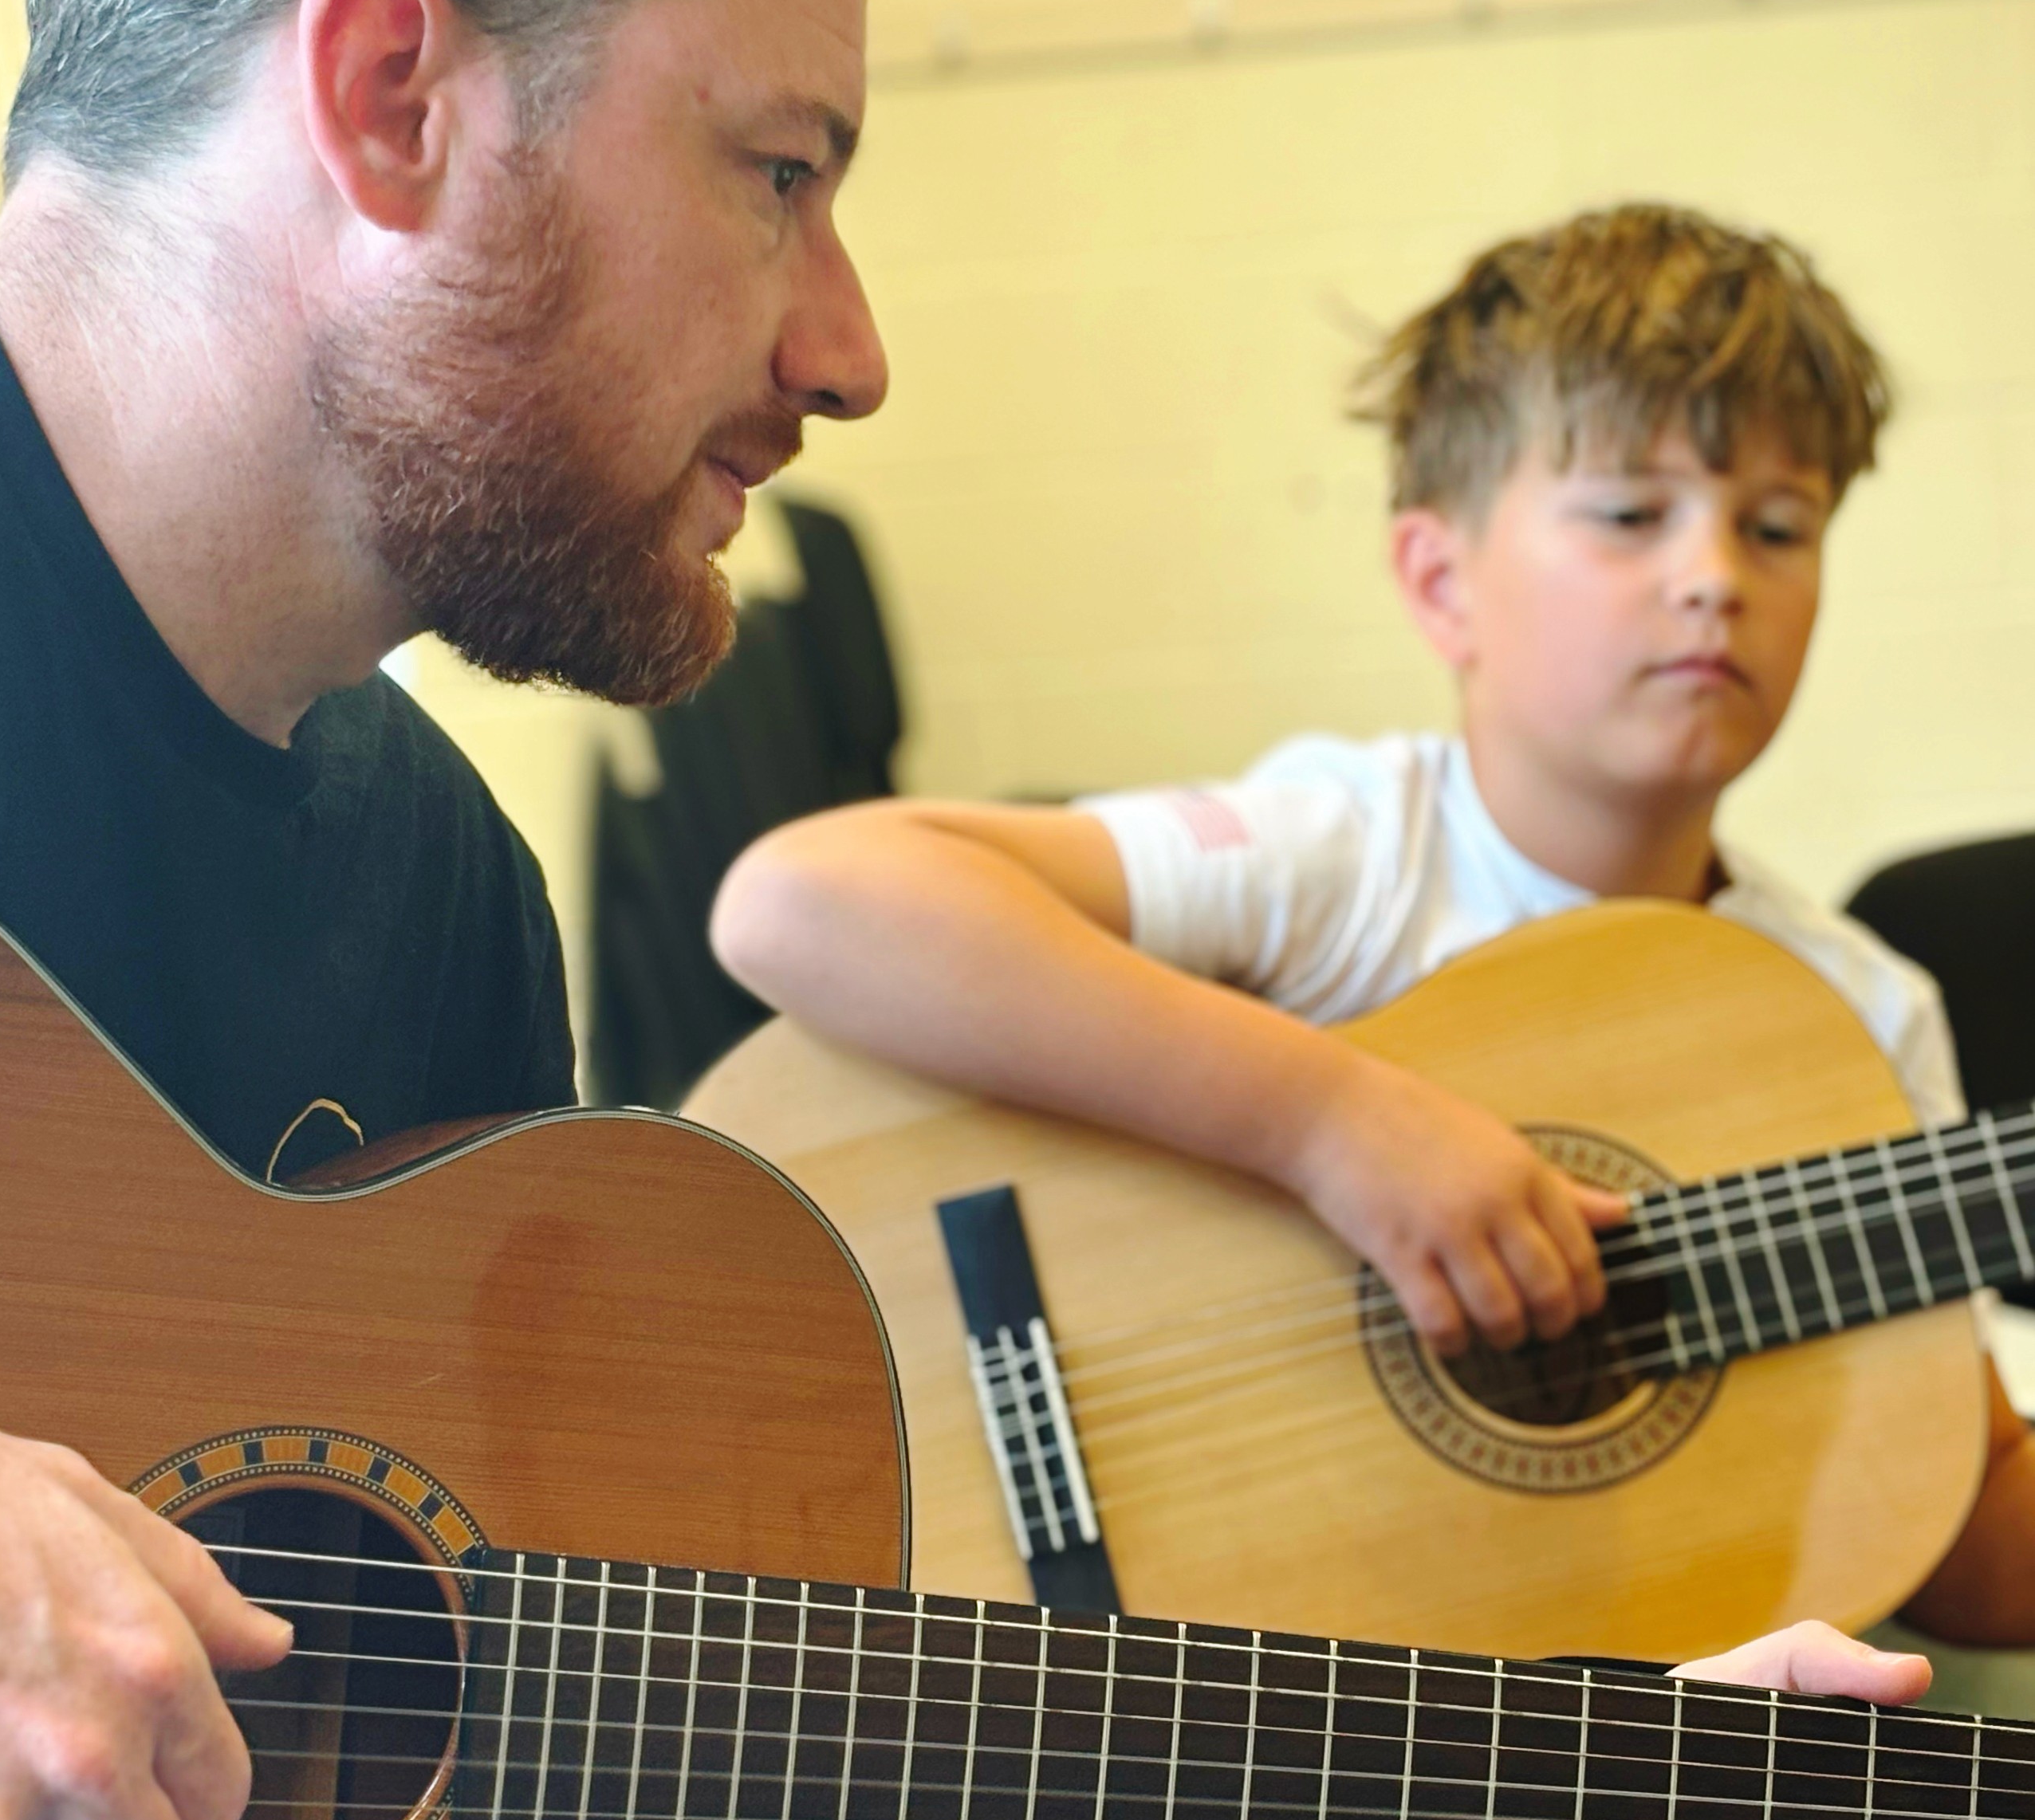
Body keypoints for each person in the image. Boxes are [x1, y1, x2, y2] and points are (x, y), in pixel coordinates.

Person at [0, 0, 2014, 1820]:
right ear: (392, 96)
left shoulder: (439, 901)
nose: (852, 345)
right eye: (776, 172)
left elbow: (641, 1799)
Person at [711, 202, 2035, 1650]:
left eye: (1779, 525)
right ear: (1439, 581)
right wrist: (1339, 1127)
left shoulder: (1858, 1013)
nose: (1716, 572)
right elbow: (804, 903)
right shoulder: (1354, 852)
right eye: (1632, 514)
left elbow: (1959, 1532)